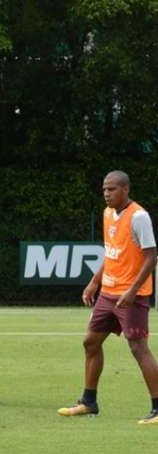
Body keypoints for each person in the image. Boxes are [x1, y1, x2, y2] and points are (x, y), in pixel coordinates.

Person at [58, 170, 158, 424]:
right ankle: (88, 402)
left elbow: (151, 256)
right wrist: (94, 282)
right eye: (104, 189)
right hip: (108, 293)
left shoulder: (139, 216)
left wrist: (133, 291)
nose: (106, 193)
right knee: (90, 342)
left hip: (131, 295)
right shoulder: (107, 214)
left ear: (125, 189)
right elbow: (112, 252)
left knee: (138, 348)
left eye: (111, 189)